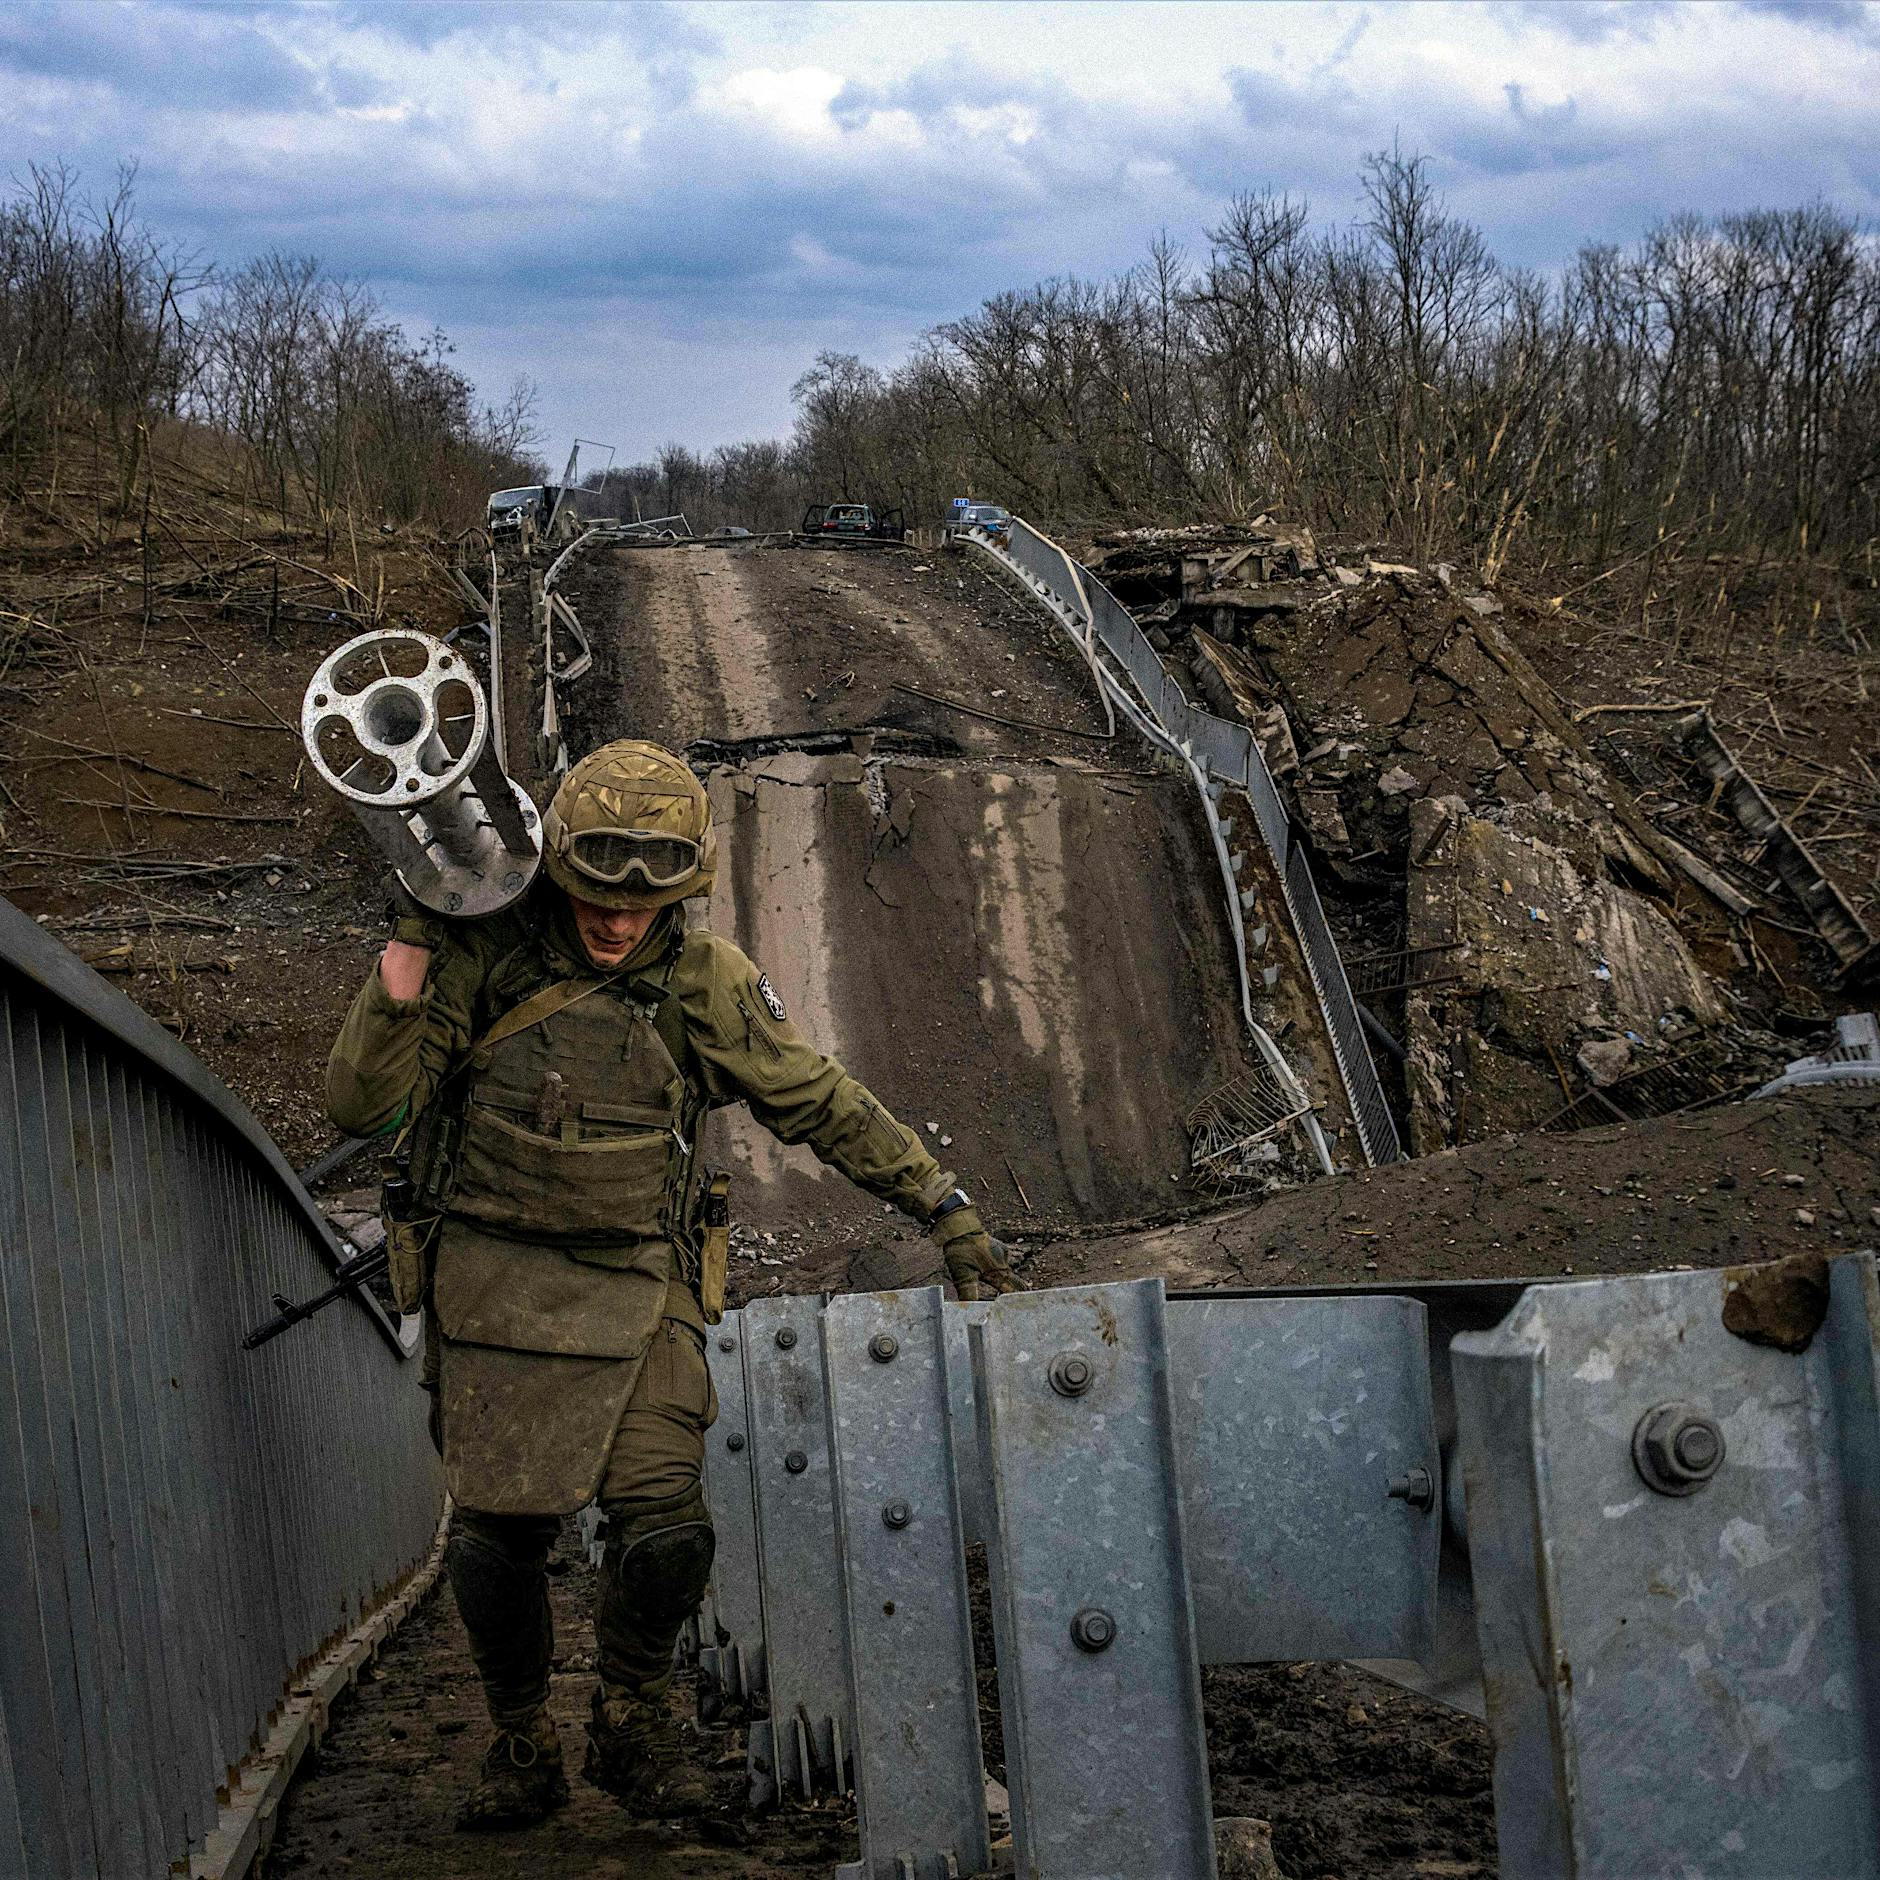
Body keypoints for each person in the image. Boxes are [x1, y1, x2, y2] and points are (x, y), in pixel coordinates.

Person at [325, 739, 1016, 1830]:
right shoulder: (481, 954)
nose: (616, 920)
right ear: (557, 866)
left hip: (643, 1285)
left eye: (642, 901)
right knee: (496, 1539)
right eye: (597, 894)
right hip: (494, 1288)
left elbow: (819, 1100)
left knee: (665, 1527)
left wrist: (941, 1202)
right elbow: (363, 1108)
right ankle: (520, 1741)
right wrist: (414, 944)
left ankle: (633, 1718)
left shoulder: (704, 982)